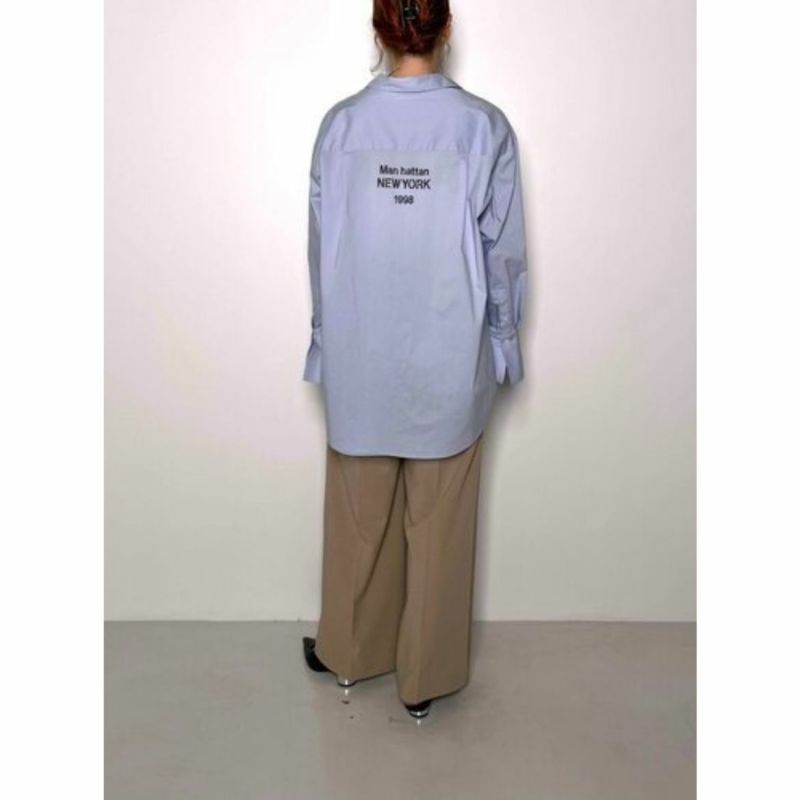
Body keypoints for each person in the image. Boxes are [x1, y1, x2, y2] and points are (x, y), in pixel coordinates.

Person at [301, 0, 529, 720]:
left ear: (379, 31)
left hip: (361, 352)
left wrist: (324, 339)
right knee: (439, 523)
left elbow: (322, 250)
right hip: (449, 354)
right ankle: (423, 679)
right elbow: (502, 252)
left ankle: (350, 655)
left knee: (358, 518)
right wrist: (504, 343)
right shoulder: (483, 128)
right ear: (445, 30)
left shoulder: (341, 127)